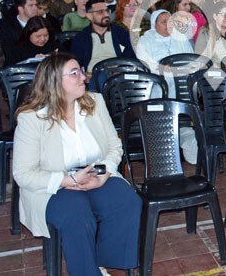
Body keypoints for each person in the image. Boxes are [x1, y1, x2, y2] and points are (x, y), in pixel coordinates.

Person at [12, 53, 141, 275]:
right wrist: (66, 180)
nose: (83, 77)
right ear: (54, 82)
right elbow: (23, 173)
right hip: (53, 185)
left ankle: (100, 261)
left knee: (127, 201)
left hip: (94, 174)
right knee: (77, 214)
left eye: (81, 71)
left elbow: (114, 146)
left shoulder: (95, 102)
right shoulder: (32, 118)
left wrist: (106, 173)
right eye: (74, 73)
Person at [71, 0, 136, 73]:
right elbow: (76, 62)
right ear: (89, 16)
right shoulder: (81, 38)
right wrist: (83, 75)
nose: (106, 15)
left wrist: (121, 69)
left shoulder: (119, 32)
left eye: (107, 11)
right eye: (100, 12)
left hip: (118, 75)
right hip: (94, 76)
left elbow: (132, 50)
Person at [0, 0, 40, 64]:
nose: (35, 8)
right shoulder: (6, 25)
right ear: (20, 8)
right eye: (31, 5)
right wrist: (33, 56)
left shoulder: (42, 22)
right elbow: (9, 49)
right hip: (16, 64)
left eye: (36, 5)